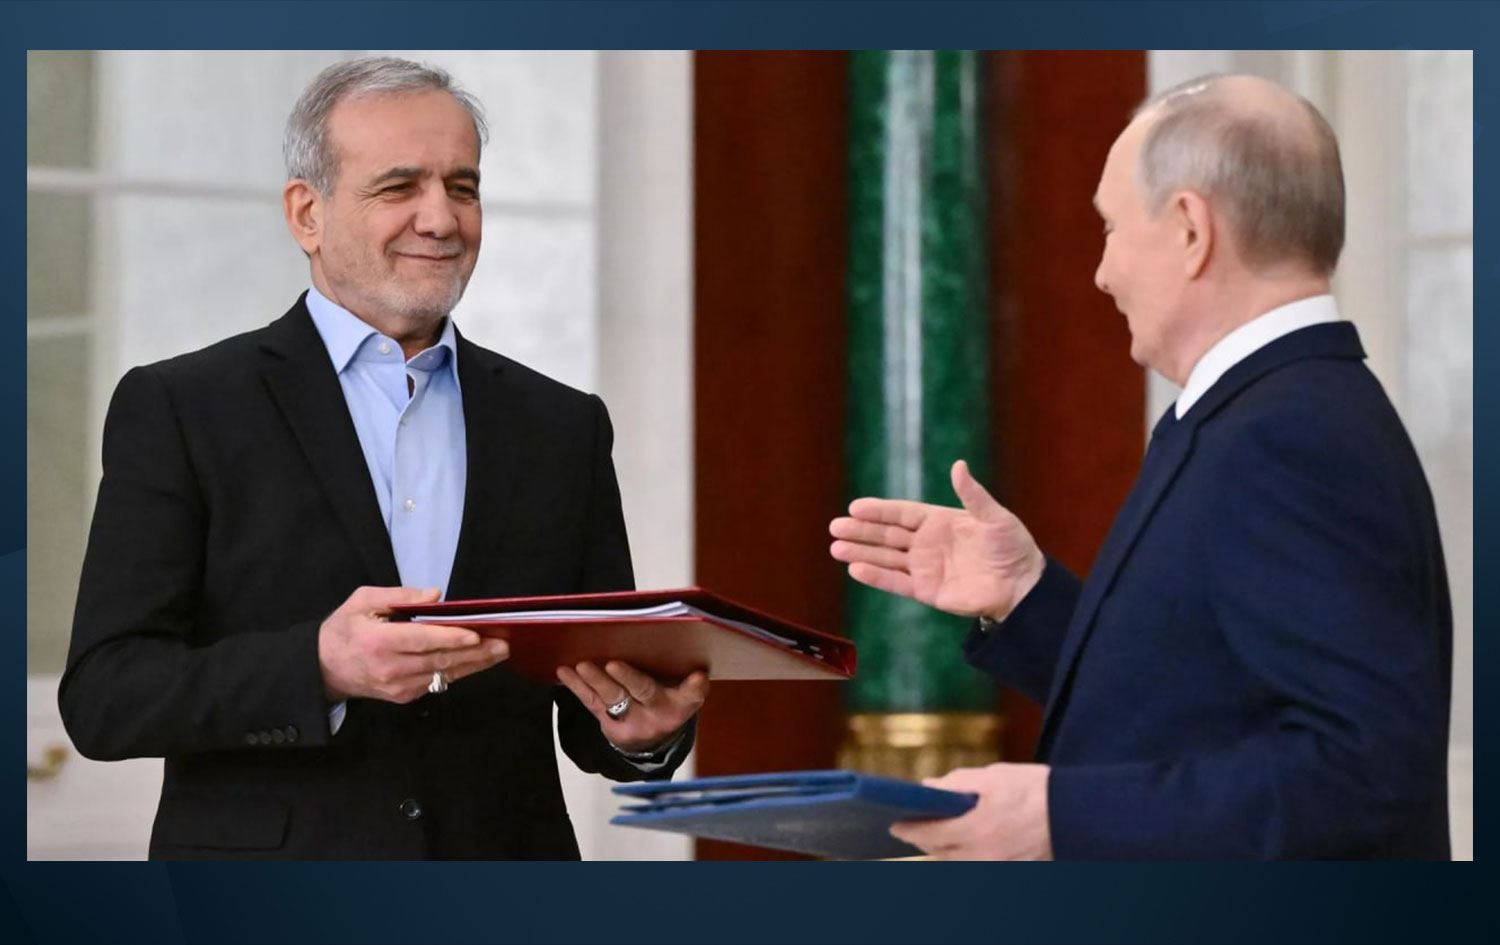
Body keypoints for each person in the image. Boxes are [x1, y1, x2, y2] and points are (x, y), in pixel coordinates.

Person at [59, 57, 707, 860]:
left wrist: (640, 731)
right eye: (400, 186)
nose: (441, 219)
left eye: (462, 187)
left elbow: (593, 701)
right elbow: (106, 695)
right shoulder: (183, 408)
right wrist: (319, 667)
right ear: (308, 214)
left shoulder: (563, 426)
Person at [830, 74, 1452, 859]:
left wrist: (1055, 814)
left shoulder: (1288, 434)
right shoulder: (1266, 410)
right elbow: (1196, 704)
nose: (1103, 271)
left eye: (1111, 227)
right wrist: (1026, 596)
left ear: (1191, 228)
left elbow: (1362, 778)